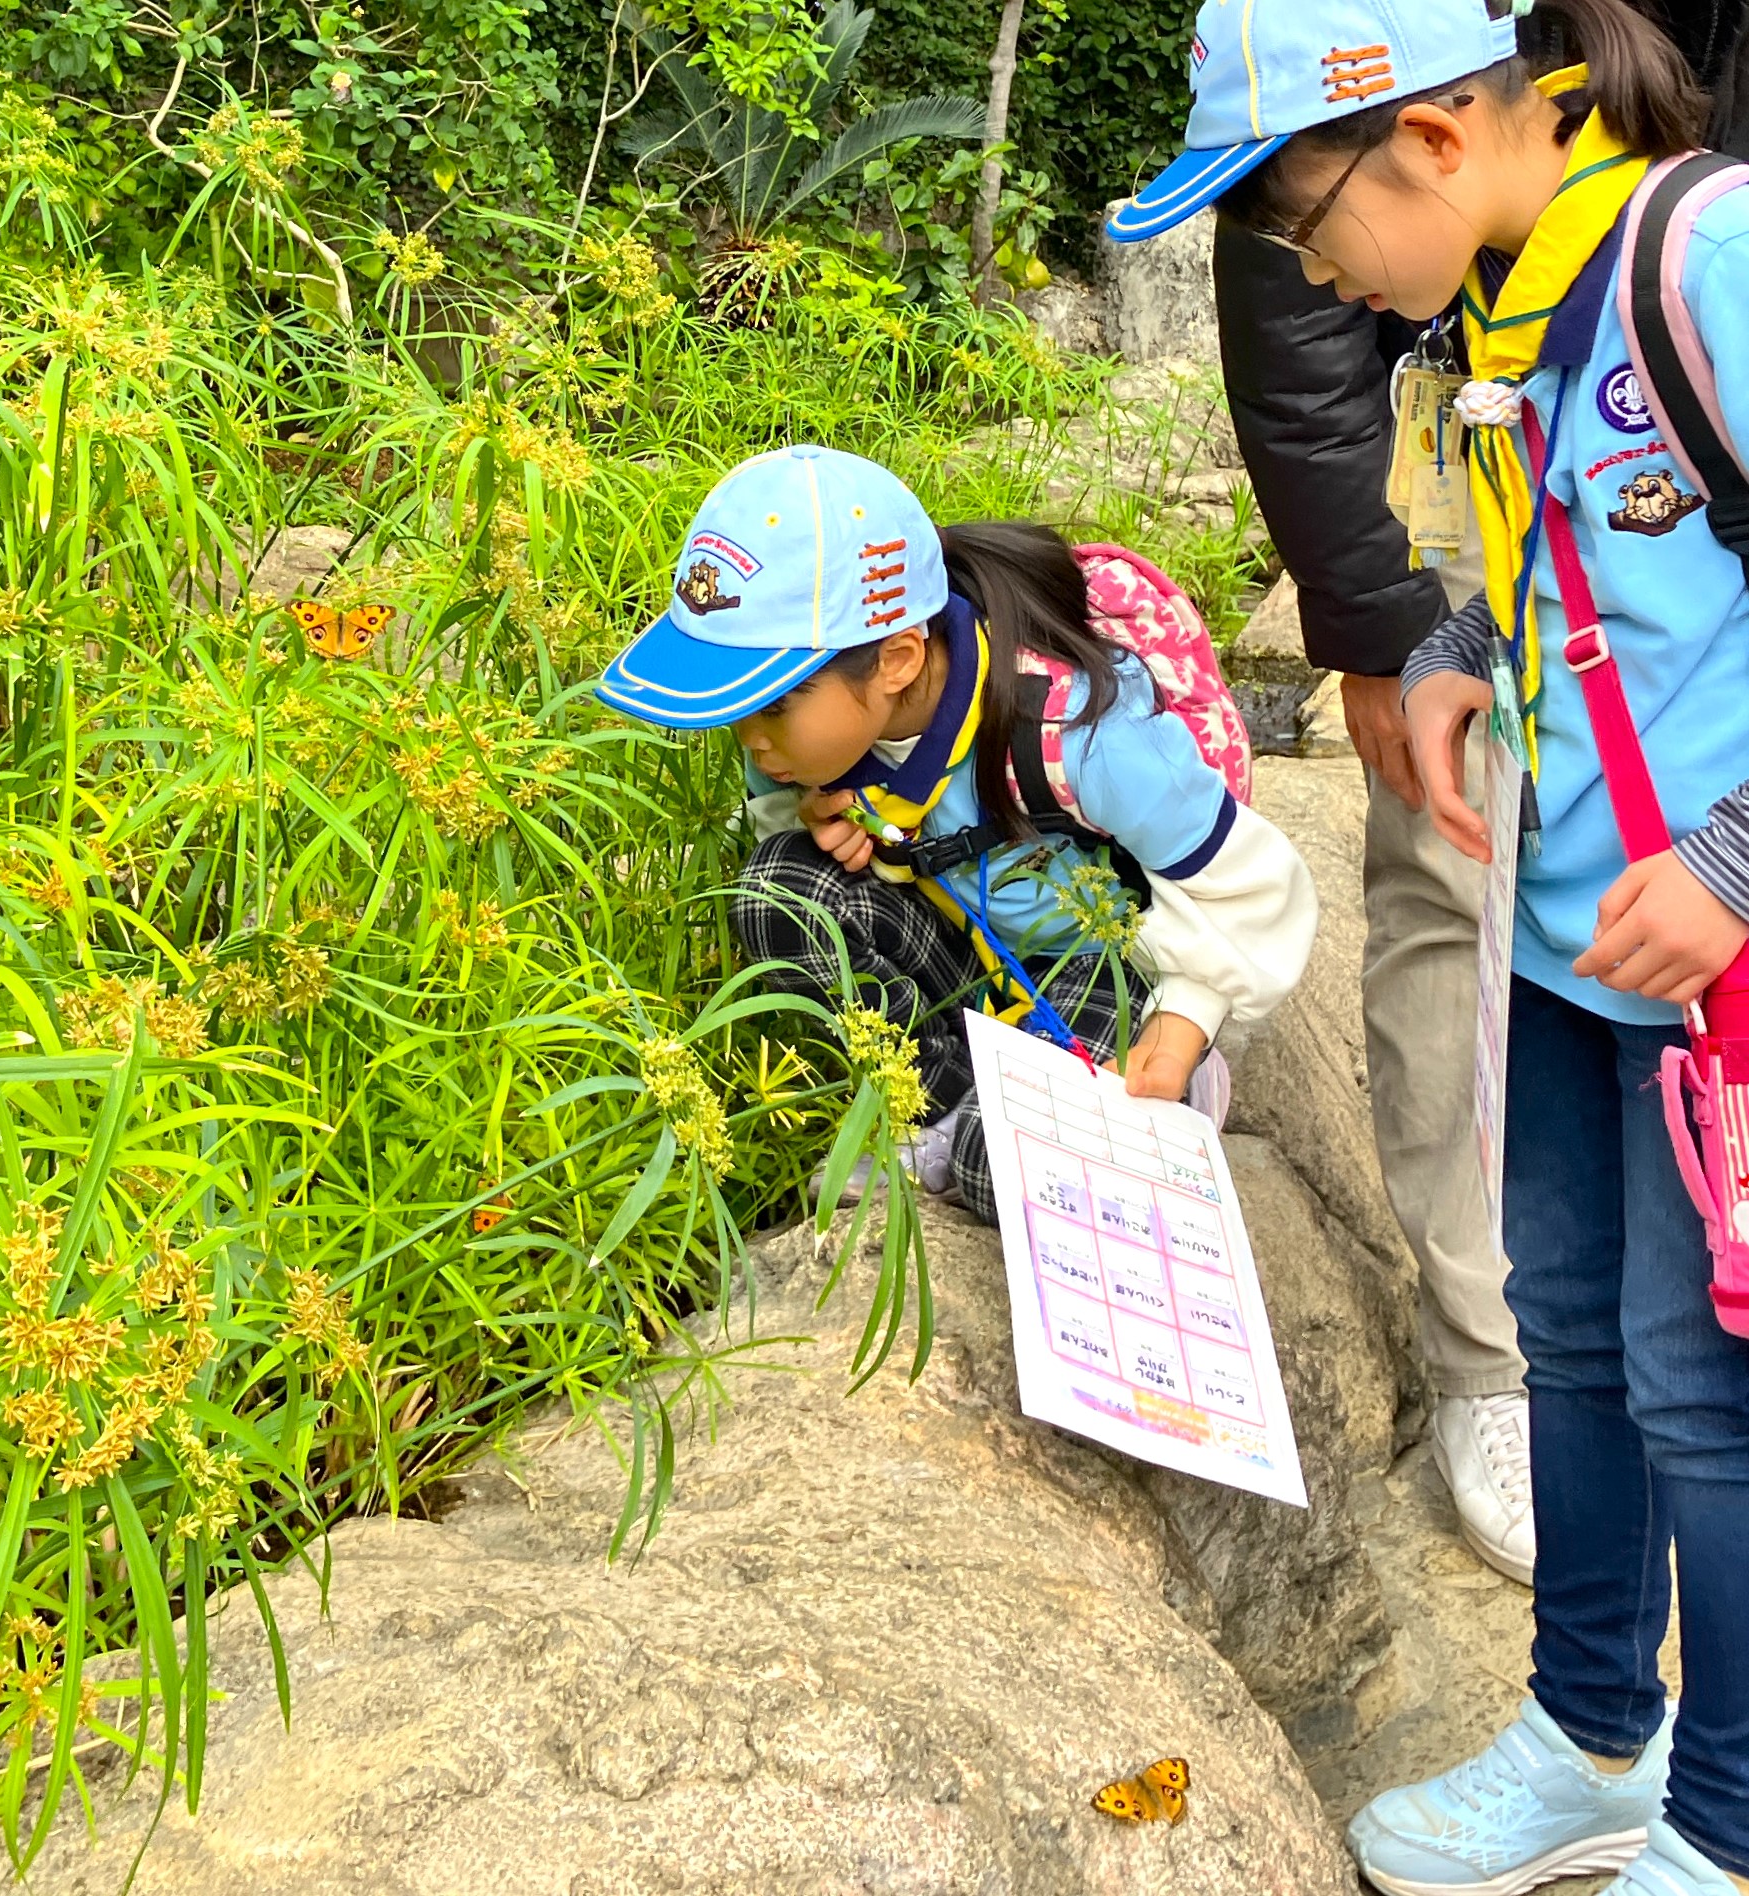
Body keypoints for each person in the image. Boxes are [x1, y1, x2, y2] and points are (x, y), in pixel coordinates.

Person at [1113, 2, 1749, 1893]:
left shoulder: (1695, 260)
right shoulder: (1499, 313)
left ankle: (1717, 1821)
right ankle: (1584, 1736)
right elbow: (1575, 575)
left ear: (1432, 144)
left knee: (1693, 1381)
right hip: (1555, 941)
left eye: (1306, 222)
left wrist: (1731, 860)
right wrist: (1465, 658)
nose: (1310, 270)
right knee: (1560, 1334)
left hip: (1699, 967)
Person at [593, 445, 1318, 1217]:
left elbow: (1254, 884)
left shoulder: (1080, 734)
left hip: (1103, 954)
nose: (750, 738)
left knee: (995, 1168)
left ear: (899, 658)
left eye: (771, 704)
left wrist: (1185, 1019)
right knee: (780, 892)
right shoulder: (807, 741)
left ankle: (1108, 1098)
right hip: (966, 945)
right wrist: (816, 822)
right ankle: (947, 1104)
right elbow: (790, 836)